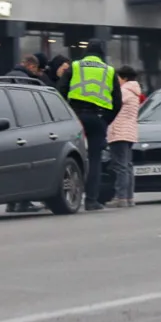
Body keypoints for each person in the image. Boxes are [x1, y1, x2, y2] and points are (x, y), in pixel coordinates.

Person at [62, 39, 121, 211]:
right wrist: (105, 120)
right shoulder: (109, 70)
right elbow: (117, 102)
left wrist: (67, 115)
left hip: (76, 117)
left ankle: (70, 196)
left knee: (70, 157)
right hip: (97, 118)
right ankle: (91, 200)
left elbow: (60, 91)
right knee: (95, 159)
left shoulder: (75, 66)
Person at [4, 54, 49, 214]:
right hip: (24, 128)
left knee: (13, 168)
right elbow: (27, 106)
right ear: (31, 66)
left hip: (7, 129)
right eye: (36, 69)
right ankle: (24, 201)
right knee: (28, 166)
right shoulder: (27, 81)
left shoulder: (5, 77)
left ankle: (11, 203)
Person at [107, 66, 142, 208]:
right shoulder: (135, 92)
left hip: (119, 132)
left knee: (121, 166)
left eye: (118, 78)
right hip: (130, 132)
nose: (116, 81)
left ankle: (120, 197)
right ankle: (129, 197)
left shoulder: (123, 91)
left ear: (124, 78)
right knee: (127, 166)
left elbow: (109, 105)